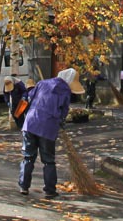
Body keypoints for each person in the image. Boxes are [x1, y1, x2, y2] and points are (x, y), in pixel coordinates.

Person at [18, 68, 85, 199]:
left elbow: (30, 97)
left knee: (28, 157)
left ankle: (23, 186)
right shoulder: (65, 90)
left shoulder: (42, 83)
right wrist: (61, 122)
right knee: (48, 160)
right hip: (47, 127)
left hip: (30, 123)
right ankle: (49, 190)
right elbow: (64, 111)